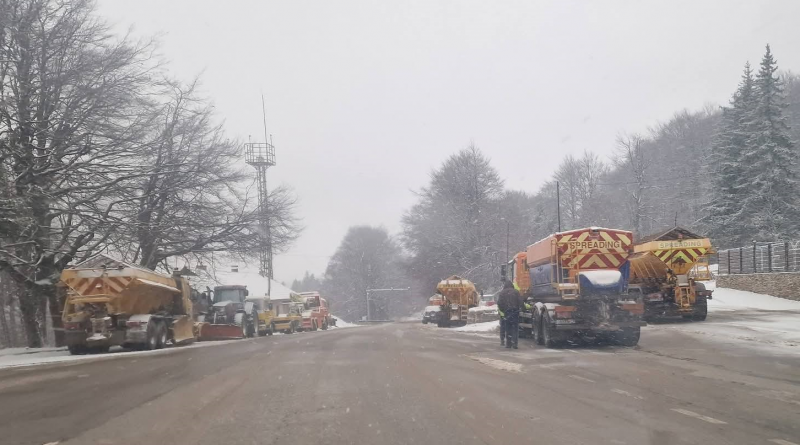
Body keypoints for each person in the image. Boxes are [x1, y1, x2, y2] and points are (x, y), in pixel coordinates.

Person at [497, 280, 524, 349]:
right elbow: (520, 302)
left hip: (507, 312)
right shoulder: (516, 292)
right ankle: (515, 343)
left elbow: (499, 303)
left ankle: (508, 344)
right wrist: (519, 308)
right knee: (515, 328)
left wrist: (504, 310)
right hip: (515, 312)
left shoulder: (502, 293)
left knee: (508, 328)